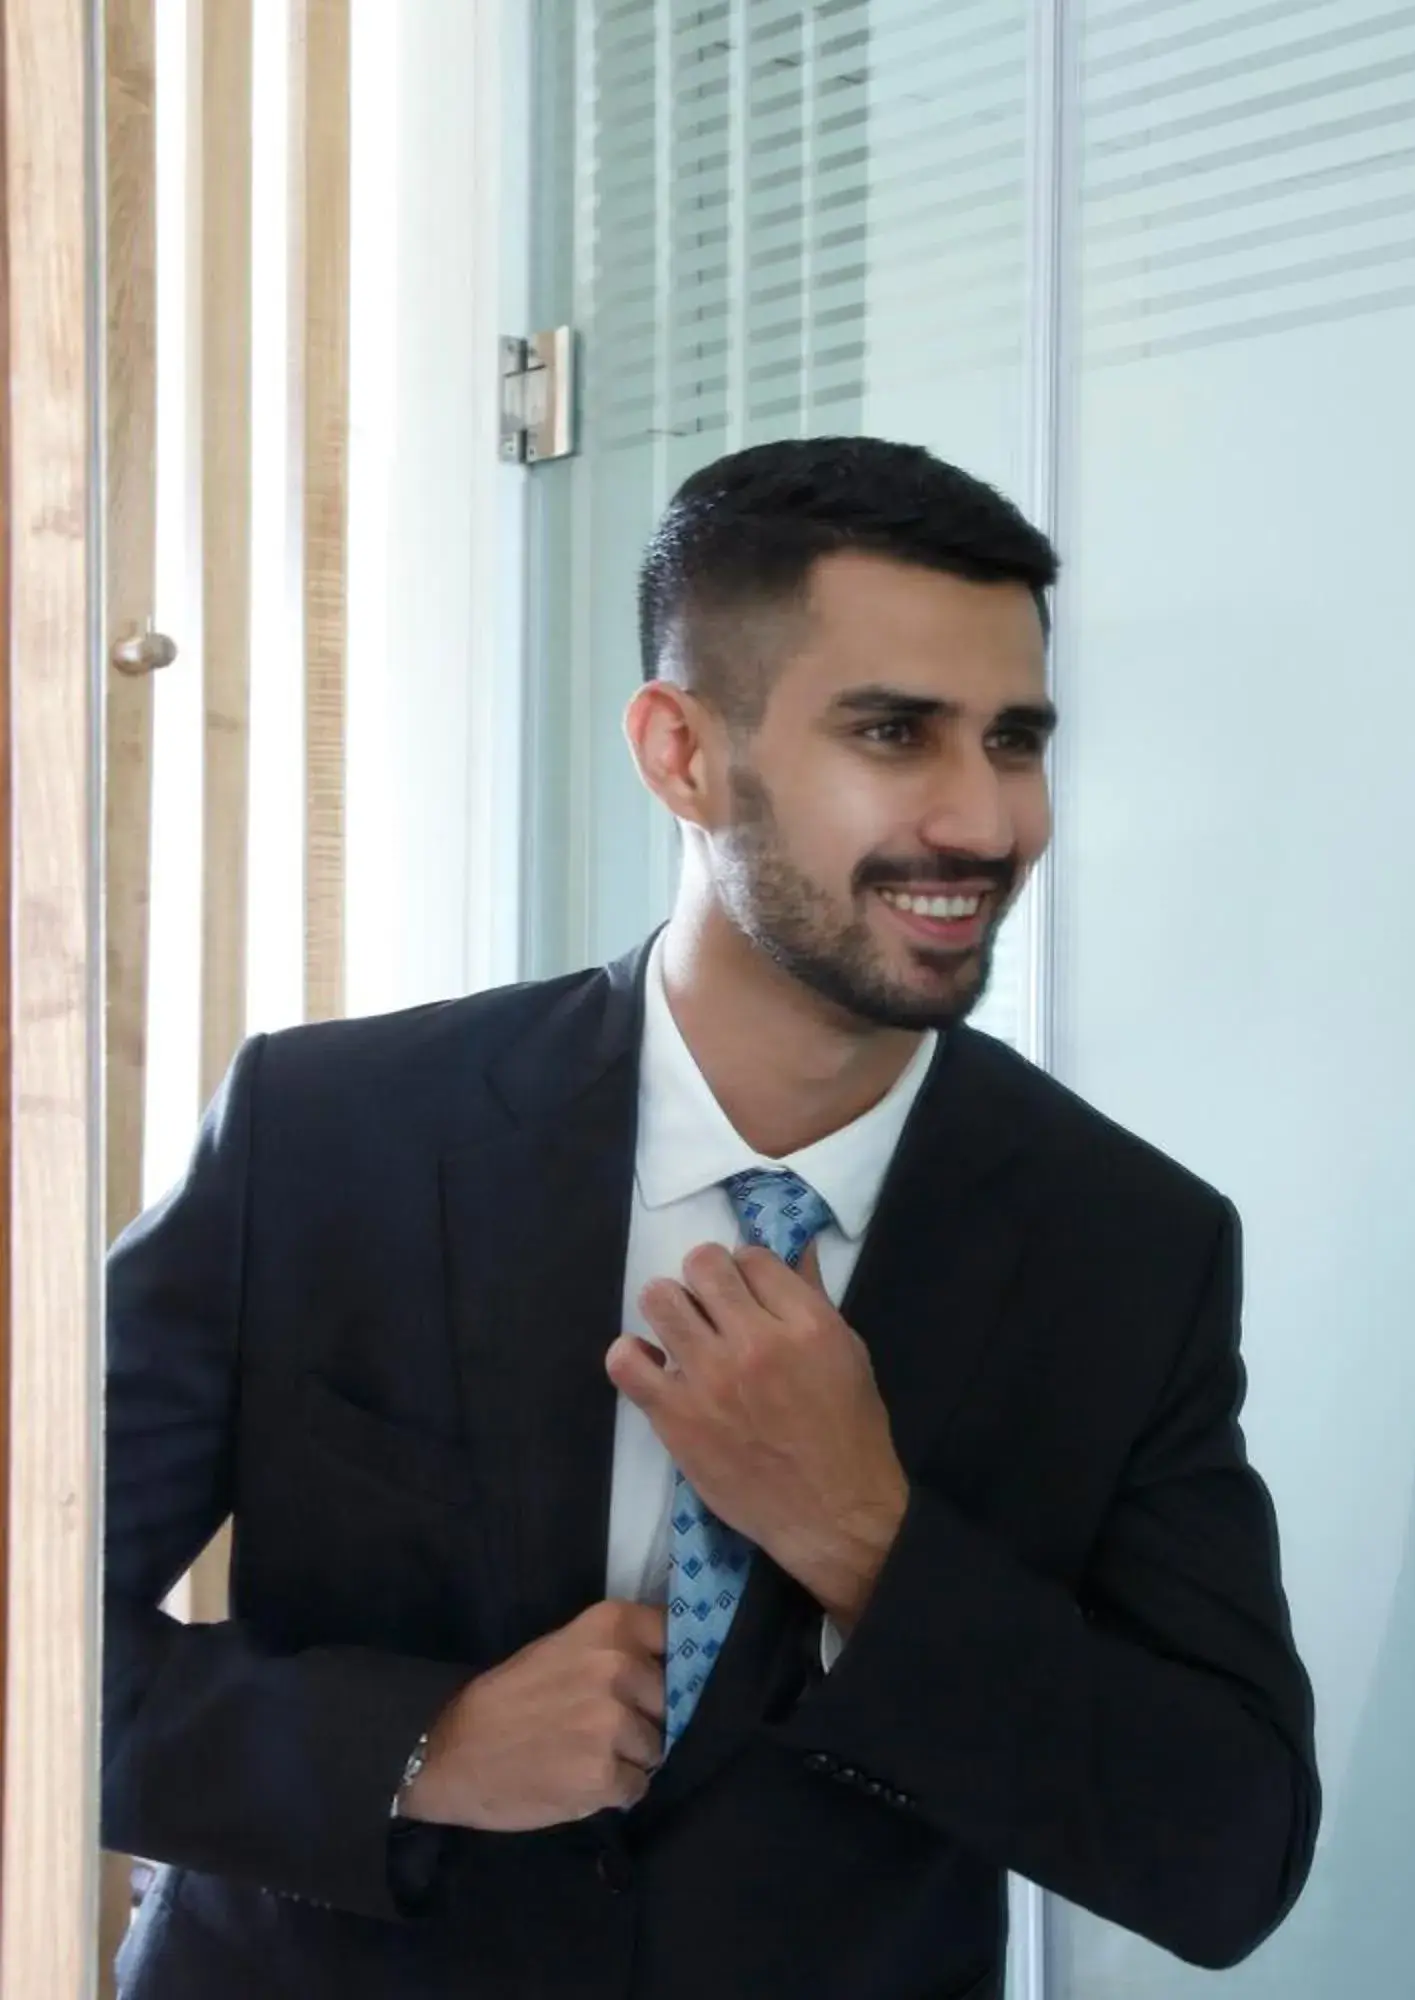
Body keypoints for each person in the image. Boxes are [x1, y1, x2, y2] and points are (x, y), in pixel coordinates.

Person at [101, 438, 1319, 1999]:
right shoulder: (331, 1137)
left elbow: (1227, 1848)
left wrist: (866, 1539)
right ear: (680, 752)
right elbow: (25, 1637)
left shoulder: (1128, 1250)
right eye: (894, 732)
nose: (984, 821)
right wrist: (414, 1749)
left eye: (1014, 741)